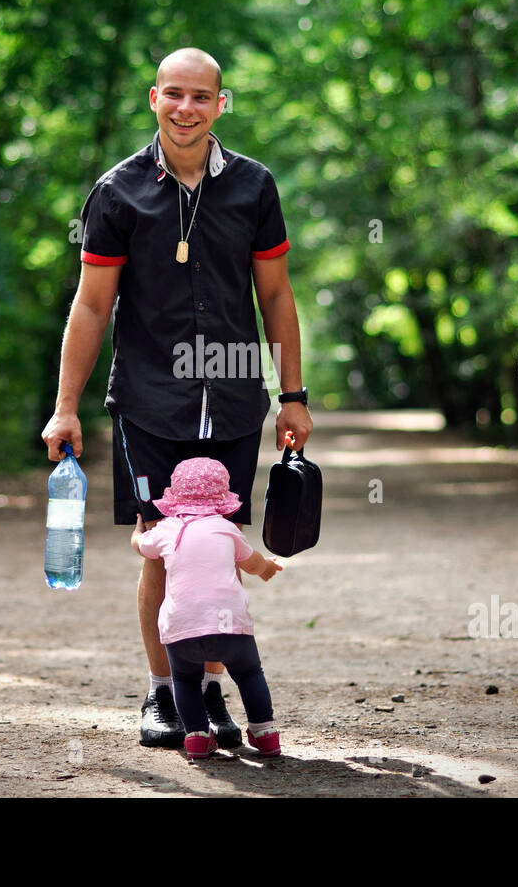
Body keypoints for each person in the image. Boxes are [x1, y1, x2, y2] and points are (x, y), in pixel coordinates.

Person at [40, 47, 314, 749]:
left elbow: (275, 294)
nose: (186, 108)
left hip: (230, 399)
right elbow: (92, 306)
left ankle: (211, 693)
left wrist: (293, 394)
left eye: (202, 96)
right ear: (153, 98)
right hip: (147, 401)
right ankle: (165, 693)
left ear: (222, 104)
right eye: (174, 95)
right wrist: (65, 405)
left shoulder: (254, 187)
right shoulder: (116, 192)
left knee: (217, 553)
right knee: (162, 553)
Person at [130, 458, 284, 759]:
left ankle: (198, 738)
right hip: (231, 629)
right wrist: (266, 568)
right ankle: (265, 733)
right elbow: (251, 562)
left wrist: (136, 534)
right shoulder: (227, 530)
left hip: (182, 630)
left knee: (185, 681)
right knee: (251, 674)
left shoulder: (166, 530)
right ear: (223, 499)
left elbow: (142, 547)